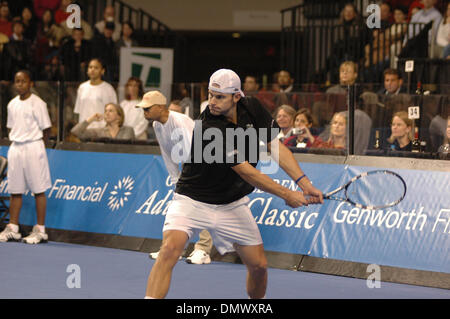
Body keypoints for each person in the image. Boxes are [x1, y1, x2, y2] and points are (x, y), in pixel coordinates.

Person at [144, 68, 323, 299]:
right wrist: (287, 194)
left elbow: (276, 147)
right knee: (169, 250)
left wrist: (304, 183)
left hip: (232, 203)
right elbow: (246, 172)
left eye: (219, 97)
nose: (212, 102)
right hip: (192, 199)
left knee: (259, 267)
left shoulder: (253, 108)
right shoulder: (208, 125)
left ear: (237, 96)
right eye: (210, 95)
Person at [138, 91, 213, 264]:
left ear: (160, 107)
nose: (145, 112)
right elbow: (167, 152)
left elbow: (193, 151)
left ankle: (203, 250)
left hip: (206, 164)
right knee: (181, 208)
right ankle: (175, 248)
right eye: (143, 109)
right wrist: (175, 178)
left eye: (148, 108)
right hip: (191, 166)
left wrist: (190, 178)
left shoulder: (179, 121)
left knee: (204, 206)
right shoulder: (157, 125)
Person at [0, 70, 51, 244]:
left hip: (34, 147)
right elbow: (10, 128)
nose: (20, 84)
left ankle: (40, 230)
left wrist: (38, 147)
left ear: (31, 83)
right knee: (15, 190)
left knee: (38, 189)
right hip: (16, 148)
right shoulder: (12, 104)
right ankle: (13, 228)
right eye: (17, 81)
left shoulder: (38, 103)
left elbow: (46, 129)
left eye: (23, 81)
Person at [73, 58, 118, 129]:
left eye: (96, 67)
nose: (92, 70)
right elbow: (78, 111)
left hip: (101, 130)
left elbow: (113, 113)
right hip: (84, 130)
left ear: (102, 71)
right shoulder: (82, 87)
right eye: (90, 67)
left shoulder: (108, 89)